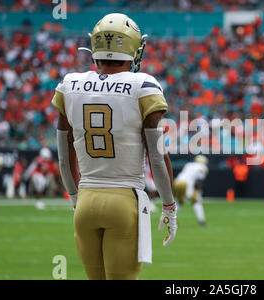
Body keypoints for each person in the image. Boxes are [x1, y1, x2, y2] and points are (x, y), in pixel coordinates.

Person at [52, 13, 177, 280]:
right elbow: (157, 158)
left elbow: (64, 158)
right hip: (124, 201)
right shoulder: (143, 86)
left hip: (85, 201)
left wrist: (76, 199)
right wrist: (169, 206)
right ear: (134, 48)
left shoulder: (69, 85)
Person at [174, 155, 208, 226]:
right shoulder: (203, 167)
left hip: (177, 182)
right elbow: (200, 181)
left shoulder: (189, 164)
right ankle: (202, 221)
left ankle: (173, 220)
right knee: (196, 201)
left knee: (179, 201)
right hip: (186, 184)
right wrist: (199, 192)